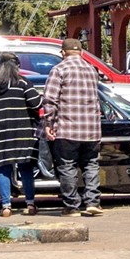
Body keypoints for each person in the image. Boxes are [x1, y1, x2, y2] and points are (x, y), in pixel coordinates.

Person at [0, 53, 44, 217]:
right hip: (22, 132)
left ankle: (6, 206)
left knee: (2, 168)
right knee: (26, 168)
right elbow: (37, 103)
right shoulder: (22, 83)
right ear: (17, 66)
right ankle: (30, 204)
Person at [43, 37, 105, 216]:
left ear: (63, 53)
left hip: (67, 127)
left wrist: (49, 123)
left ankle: (71, 206)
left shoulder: (59, 69)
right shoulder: (92, 70)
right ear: (82, 53)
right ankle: (93, 202)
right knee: (91, 164)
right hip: (92, 129)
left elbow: (50, 99)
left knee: (67, 165)